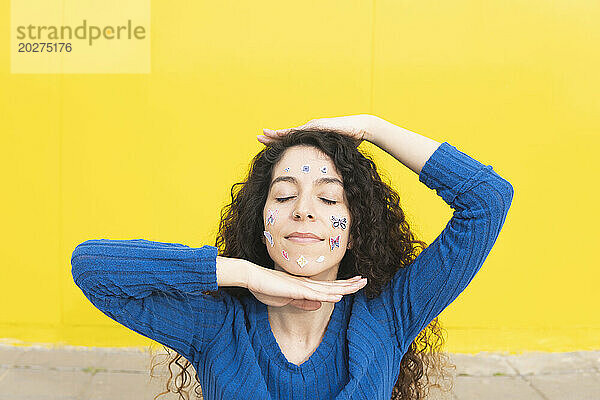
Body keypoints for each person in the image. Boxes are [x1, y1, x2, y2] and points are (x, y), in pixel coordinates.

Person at [71, 114, 514, 400]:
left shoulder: (391, 314)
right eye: (284, 195)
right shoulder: (219, 326)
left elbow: (488, 200)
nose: (303, 208)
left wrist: (371, 127)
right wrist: (241, 274)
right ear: (261, 223)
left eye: (329, 199)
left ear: (356, 229)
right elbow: (92, 268)